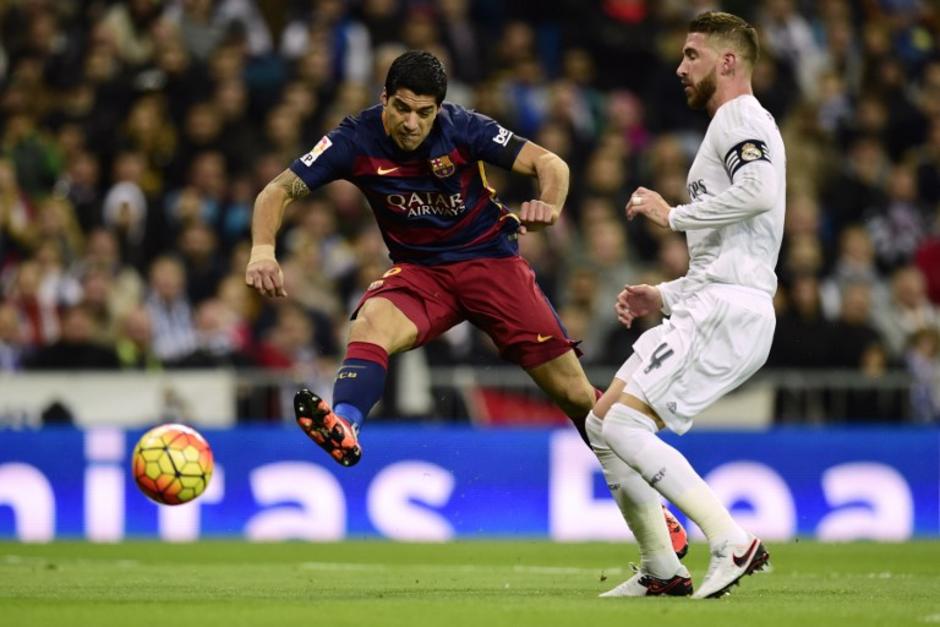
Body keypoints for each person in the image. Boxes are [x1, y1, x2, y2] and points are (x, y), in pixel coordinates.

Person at [245, 50, 687, 554]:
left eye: (424, 112)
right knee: (369, 323)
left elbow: (550, 162)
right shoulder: (353, 139)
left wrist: (551, 203)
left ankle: (656, 506)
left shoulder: (463, 128)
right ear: (383, 99)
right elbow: (276, 191)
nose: (412, 123)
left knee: (580, 401)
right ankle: (346, 422)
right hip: (421, 272)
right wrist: (262, 249)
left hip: (491, 265)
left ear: (439, 109)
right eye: (403, 108)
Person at [589, 12, 783, 598]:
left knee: (624, 423)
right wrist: (663, 293)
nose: (680, 66)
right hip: (713, 299)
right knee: (603, 423)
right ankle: (662, 569)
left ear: (728, 61)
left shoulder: (740, 117)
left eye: (692, 54)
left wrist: (671, 215)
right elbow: (730, 250)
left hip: (730, 309)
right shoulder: (727, 125)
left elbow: (760, 192)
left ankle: (730, 541)